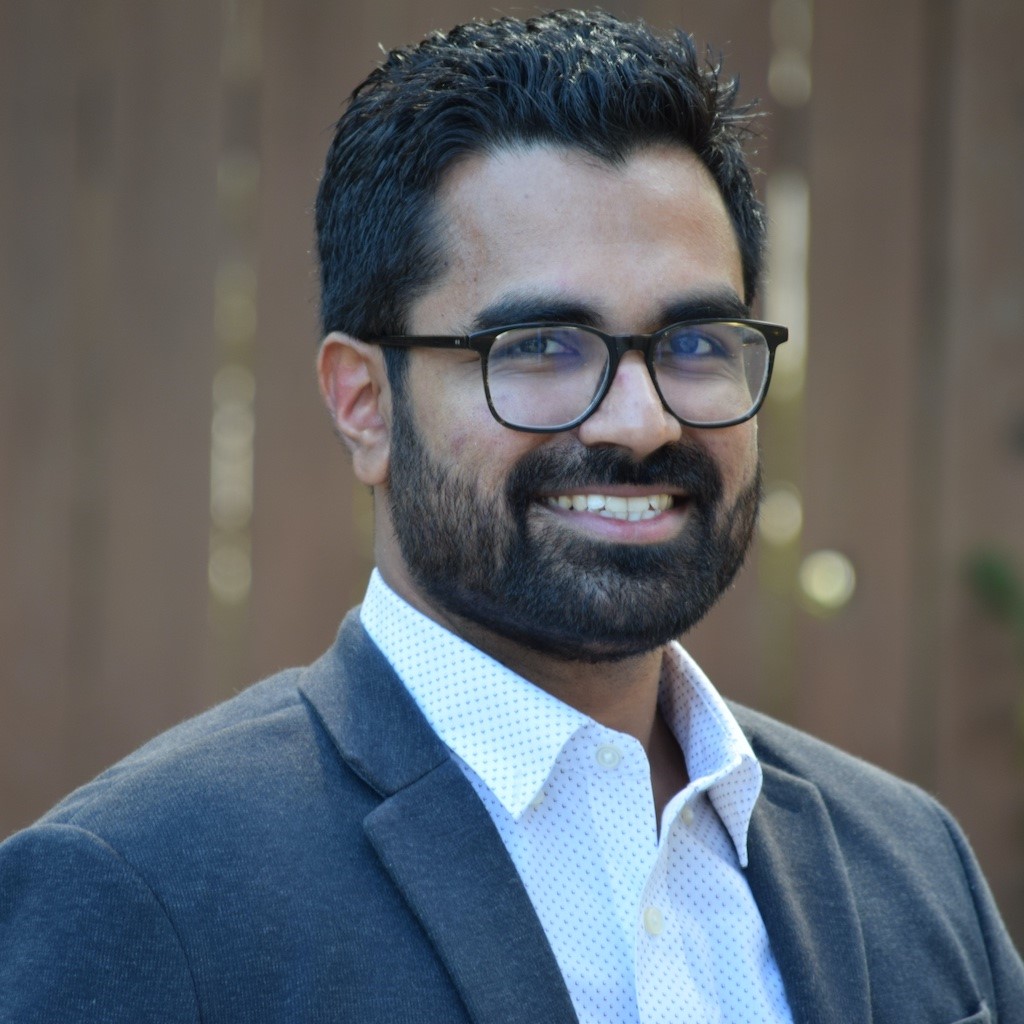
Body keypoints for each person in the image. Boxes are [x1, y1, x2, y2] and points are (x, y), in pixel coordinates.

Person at [1, 9, 1021, 1023]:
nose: (641, 421)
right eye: (538, 347)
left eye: (696, 344)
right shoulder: (141, 895)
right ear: (364, 403)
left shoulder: (911, 862)